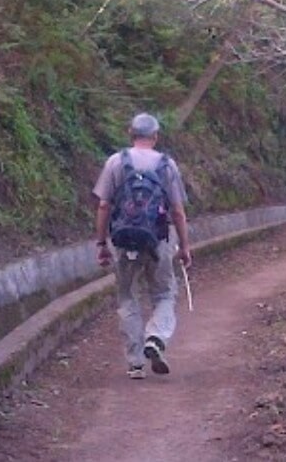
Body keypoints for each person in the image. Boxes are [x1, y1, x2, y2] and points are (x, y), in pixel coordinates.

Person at [94, 113, 193, 379]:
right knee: (163, 294)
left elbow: (103, 205)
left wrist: (102, 243)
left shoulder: (116, 162)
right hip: (158, 240)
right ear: (156, 136)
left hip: (124, 241)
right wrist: (184, 246)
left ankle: (135, 362)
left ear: (130, 132)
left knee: (127, 297)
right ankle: (156, 337)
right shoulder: (166, 165)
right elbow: (178, 211)